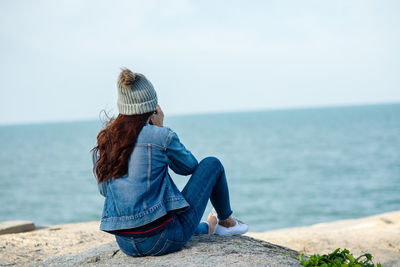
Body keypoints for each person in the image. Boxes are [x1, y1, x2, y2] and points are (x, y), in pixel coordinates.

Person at [92, 68, 248, 257]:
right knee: (211, 164)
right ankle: (226, 222)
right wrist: (160, 128)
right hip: (162, 239)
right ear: (152, 107)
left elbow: (104, 191)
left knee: (169, 223)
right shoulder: (160, 135)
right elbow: (189, 167)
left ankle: (208, 227)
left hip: (126, 244)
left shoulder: (106, 140)